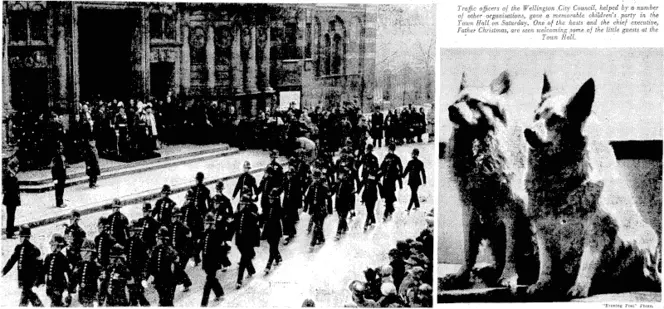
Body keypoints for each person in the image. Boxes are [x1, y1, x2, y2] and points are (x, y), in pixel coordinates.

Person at [2, 225, 44, 306]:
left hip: (30, 278)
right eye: (20, 236)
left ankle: (37, 305)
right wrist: (4, 271)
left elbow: (40, 266)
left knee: (26, 293)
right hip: (22, 278)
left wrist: (41, 280)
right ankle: (38, 305)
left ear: (25, 237)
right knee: (27, 294)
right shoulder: (19, 248)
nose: (20, 238)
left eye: (21, 236)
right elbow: (11, 261)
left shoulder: (34, 249)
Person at [233, 193, 260, 289]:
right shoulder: (238, 213)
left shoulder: (251, 215)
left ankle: (239, 280)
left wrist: (254, 241)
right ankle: (251, 270)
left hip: (247, 241)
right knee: (245, 256)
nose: (241, 205)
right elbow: (234, 224)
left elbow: (256, 227)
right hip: (239, 240)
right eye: (240, 203)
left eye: (243, 203)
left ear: (247, 204)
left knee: (243, 259)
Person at [304, 169, 333, 251]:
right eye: (314, 178)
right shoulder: (312, 186)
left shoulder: (324, 187)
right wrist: (306, 208)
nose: (316, 179)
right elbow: (308, 198)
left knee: (317, 227)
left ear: (320, 177)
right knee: (318, 226)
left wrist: (330, 210)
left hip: (321, 210)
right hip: (314, 209)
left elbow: (329, 199)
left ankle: (312, 244)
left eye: (317, 178)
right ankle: (321, 239)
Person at [149, 227, 179, 306]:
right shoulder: (155, 249)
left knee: (168, 302)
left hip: (169, 281)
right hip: (159, 281)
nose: (157, 240)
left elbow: (175, 267)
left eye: (158, 238)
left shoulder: (170, 250)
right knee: (162, 300)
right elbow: (151, 264)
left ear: (163, 239)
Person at [200, 213, 225, 306]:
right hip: (206, 262)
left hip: (213, 262)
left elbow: (219, 249)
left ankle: (203, 303)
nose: (204, 225)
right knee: (212, 279)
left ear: (211, 224)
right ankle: (219, 293)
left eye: (206, 223)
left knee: (208, 282)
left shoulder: (215, 234)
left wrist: (222, 262)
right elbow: (201, 246)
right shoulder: (205, 233)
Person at [42, 233, 73, 307]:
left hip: (59, 285)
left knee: (54, 303)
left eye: (54, 245)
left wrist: (69, 290)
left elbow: (68, 273)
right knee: (54, 300)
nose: (51, 247)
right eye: (51, 245)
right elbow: (44, 270)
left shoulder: (62, 258)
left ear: (59, 247)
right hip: (50, 285)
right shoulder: (48, 257)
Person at [168, 208, 193, 292]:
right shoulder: (171, 227)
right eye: (172, 217)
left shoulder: (184, 228)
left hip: (183, 253)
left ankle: (186, 283)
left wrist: (189, 254)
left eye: (174, 217)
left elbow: (189, 242)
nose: (172, 218)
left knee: (178, 269)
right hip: (175, 252)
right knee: (178, 269)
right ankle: (187, 283)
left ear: (178, 217)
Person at [126, 221, 150, 306]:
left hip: (138, 271)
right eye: (129, 231)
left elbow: (145, 259)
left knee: (137, 292)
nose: (130, 232)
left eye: (132, 230)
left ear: (136, 231)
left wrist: (143, 274)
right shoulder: (128, 241)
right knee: (132, 291)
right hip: (130, 270)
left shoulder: (140, 242)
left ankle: (144, 305)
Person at [72, 239, 102, 307]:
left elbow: (101, 282)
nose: (81, 253)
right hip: (81, 294)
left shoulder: (96, 266)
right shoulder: (79, 264)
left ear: (89, 252)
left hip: (92, 294)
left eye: (83, 251)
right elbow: (74, 278)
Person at [95, 216, 116, 306]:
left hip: (107, 266)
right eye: (99, 227)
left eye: (101, 227)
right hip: (100, 265)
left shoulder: (110, 239)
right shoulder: (97, 238)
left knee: (105, 285)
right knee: (103, 283)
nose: (99, 229)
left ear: (105, 227)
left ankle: (106, 302)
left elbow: (114, 253)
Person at [281, 157, 303, 245]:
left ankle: (287, 234)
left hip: (293, 201)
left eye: (291, 174)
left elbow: (298, 192)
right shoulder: (286, 179)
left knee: (288, 217)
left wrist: (299, 204)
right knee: (285, 217)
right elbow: (283, 188)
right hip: (286, 200)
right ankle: (291, 231)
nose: (289, 176)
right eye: (289, 174)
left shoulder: (296, 179)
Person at [379, 144, 403, 221]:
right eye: (389, 149)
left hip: (392, 180)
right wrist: (378, 175)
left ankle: (386, 213)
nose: (390, 151)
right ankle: (391, 209)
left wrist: (399, 177)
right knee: (388, 196)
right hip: (385, 179)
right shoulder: (386, 157)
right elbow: (382, 167)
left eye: (391, 149)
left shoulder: (396, 158)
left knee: (389, 196)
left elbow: (400, 167)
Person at [262, 188, 283, 274]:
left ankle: (268, 265)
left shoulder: (278, 208)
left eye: (272, 198)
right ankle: (278, 257)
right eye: (269, 198)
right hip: (268, 229)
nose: (270, 200)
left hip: (276, 230)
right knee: (271, 244)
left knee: (272, 248)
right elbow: (263, 216)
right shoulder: (267, 207)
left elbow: (282, 217)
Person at [181, 190, 203, 267]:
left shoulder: (195, 210)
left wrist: (199, 234)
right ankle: (195, 258)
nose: (187, 201)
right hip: (186, 229)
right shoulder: (183, 208)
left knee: (193, 245)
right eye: (187, 199)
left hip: (193, 230)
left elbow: (199, 223)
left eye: (189, 199)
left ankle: (195, 258)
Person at [333, 167, 355, 240]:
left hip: (345, 203)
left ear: (345, 175)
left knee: (342, 217)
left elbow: (352, 196)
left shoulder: (349, 183)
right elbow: (334, 190)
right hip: (338, 203)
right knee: (340, 217)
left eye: (342, 174)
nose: (340, 175)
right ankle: (345, 227)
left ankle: (338, 233)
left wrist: (352, 208)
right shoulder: (338, 182)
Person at [402, 148, 426, 213]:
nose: (411, 154)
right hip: (414, 181)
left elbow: (423, 172)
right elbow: (406, 170)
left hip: (414, 181)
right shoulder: (415, 162)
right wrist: (403, 176)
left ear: (415, 154)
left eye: (412, 153)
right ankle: (417, 205)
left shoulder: (417, 163)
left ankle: (408, 208)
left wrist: (424, 181)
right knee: (414, 193)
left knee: (413, 194)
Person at [3, 157, 20, 239]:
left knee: (11, 216)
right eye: (17, 166)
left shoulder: (12, 174)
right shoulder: (10, 175)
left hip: (11, 198)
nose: (18, 167)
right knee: (10, 216)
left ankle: (11, 230)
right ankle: (10, 233)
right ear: (14, 166)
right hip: (10, 199)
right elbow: (9, 188)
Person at [52, 143, 67, 208]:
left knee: (61, 189)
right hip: (58, 176)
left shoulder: (62, 156)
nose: (62, 149)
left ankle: (61, 201)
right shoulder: (55, 157)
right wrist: (55, 178)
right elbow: (53, 168)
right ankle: (59, 203)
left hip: (62, 175)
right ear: (57, 149)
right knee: (58, 190)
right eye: (60, 148)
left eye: (62, 148)